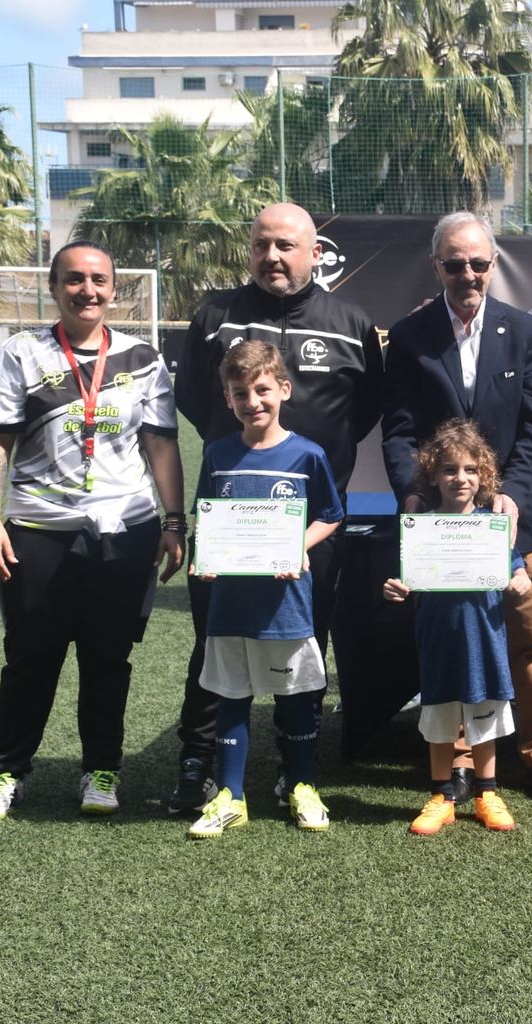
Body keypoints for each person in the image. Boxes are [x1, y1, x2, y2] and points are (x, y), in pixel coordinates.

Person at [168, 202, 384, 815]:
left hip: (311, 527)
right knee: (215, 641)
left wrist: (318, 463)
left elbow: (364, 409)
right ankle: (197, 760)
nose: (273, 256)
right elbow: (192, 399)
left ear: (315, 252)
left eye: (287, 245)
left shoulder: (350, 320)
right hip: (231, 524)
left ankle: (296, 769)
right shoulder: (215, 317)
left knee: (306, 642)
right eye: (262, 244)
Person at [0, 240, 185, 820]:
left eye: (98, 280)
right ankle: (7, 772)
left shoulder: (143, 358)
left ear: (115, 289)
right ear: (53, 286)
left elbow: (161, 445)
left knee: (107, 658)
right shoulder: (22, 353)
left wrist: (173, 520)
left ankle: (101, 769)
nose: (87, 290)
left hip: (126, 529)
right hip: (39, 527)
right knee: (30, 656)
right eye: (73, 280)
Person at [381, 212, 532, 806]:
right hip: (441, 522)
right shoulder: (411, 336)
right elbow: (399, 428)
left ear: (494, 265)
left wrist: (511, 492)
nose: (468, 274)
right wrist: (412, 493)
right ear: (436, 266)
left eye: (479, 263)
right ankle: (459, 765)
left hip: (519, 516)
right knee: (454, 641)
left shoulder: (528, 332)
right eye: (455, 263)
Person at [186, 341, 343, 839]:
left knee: (295, 696)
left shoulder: (307, 454)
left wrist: (299, 544)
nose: (252, 402)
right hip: (231, 605)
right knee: (232, 695)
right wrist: (203, 558)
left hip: (286, 604)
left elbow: (332, 516)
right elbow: (207, 518)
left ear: (284, 390)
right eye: (239, 393)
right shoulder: (217, 453)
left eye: (262, 390)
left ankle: (301, 784)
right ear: (227, 399)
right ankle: (232, 795)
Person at [383, 420, 532, 835]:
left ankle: (486, 792)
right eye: (449, 469)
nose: (459, 478)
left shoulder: (493, 527)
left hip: (484, 638)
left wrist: (520, 579)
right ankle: (441, 796)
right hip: (439, 640)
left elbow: (516, 568)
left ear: (484, 476)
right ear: (433, 475)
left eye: (469, 470)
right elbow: (403, 577)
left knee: (485, 717)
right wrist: (395, 588)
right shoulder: (421, 528)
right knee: (440, 719)